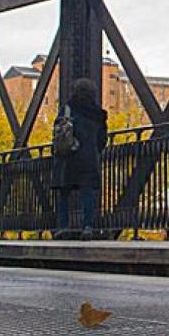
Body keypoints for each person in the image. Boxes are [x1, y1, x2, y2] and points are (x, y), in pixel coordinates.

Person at [51, 78, 108, 240]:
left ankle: (63, 226)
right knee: (87, 193)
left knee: (64, 192)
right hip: (89, 158)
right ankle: (87, 226)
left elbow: (56, 132)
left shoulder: (68, 109)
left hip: (68, 157)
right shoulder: (98, 114)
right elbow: (102, 139)